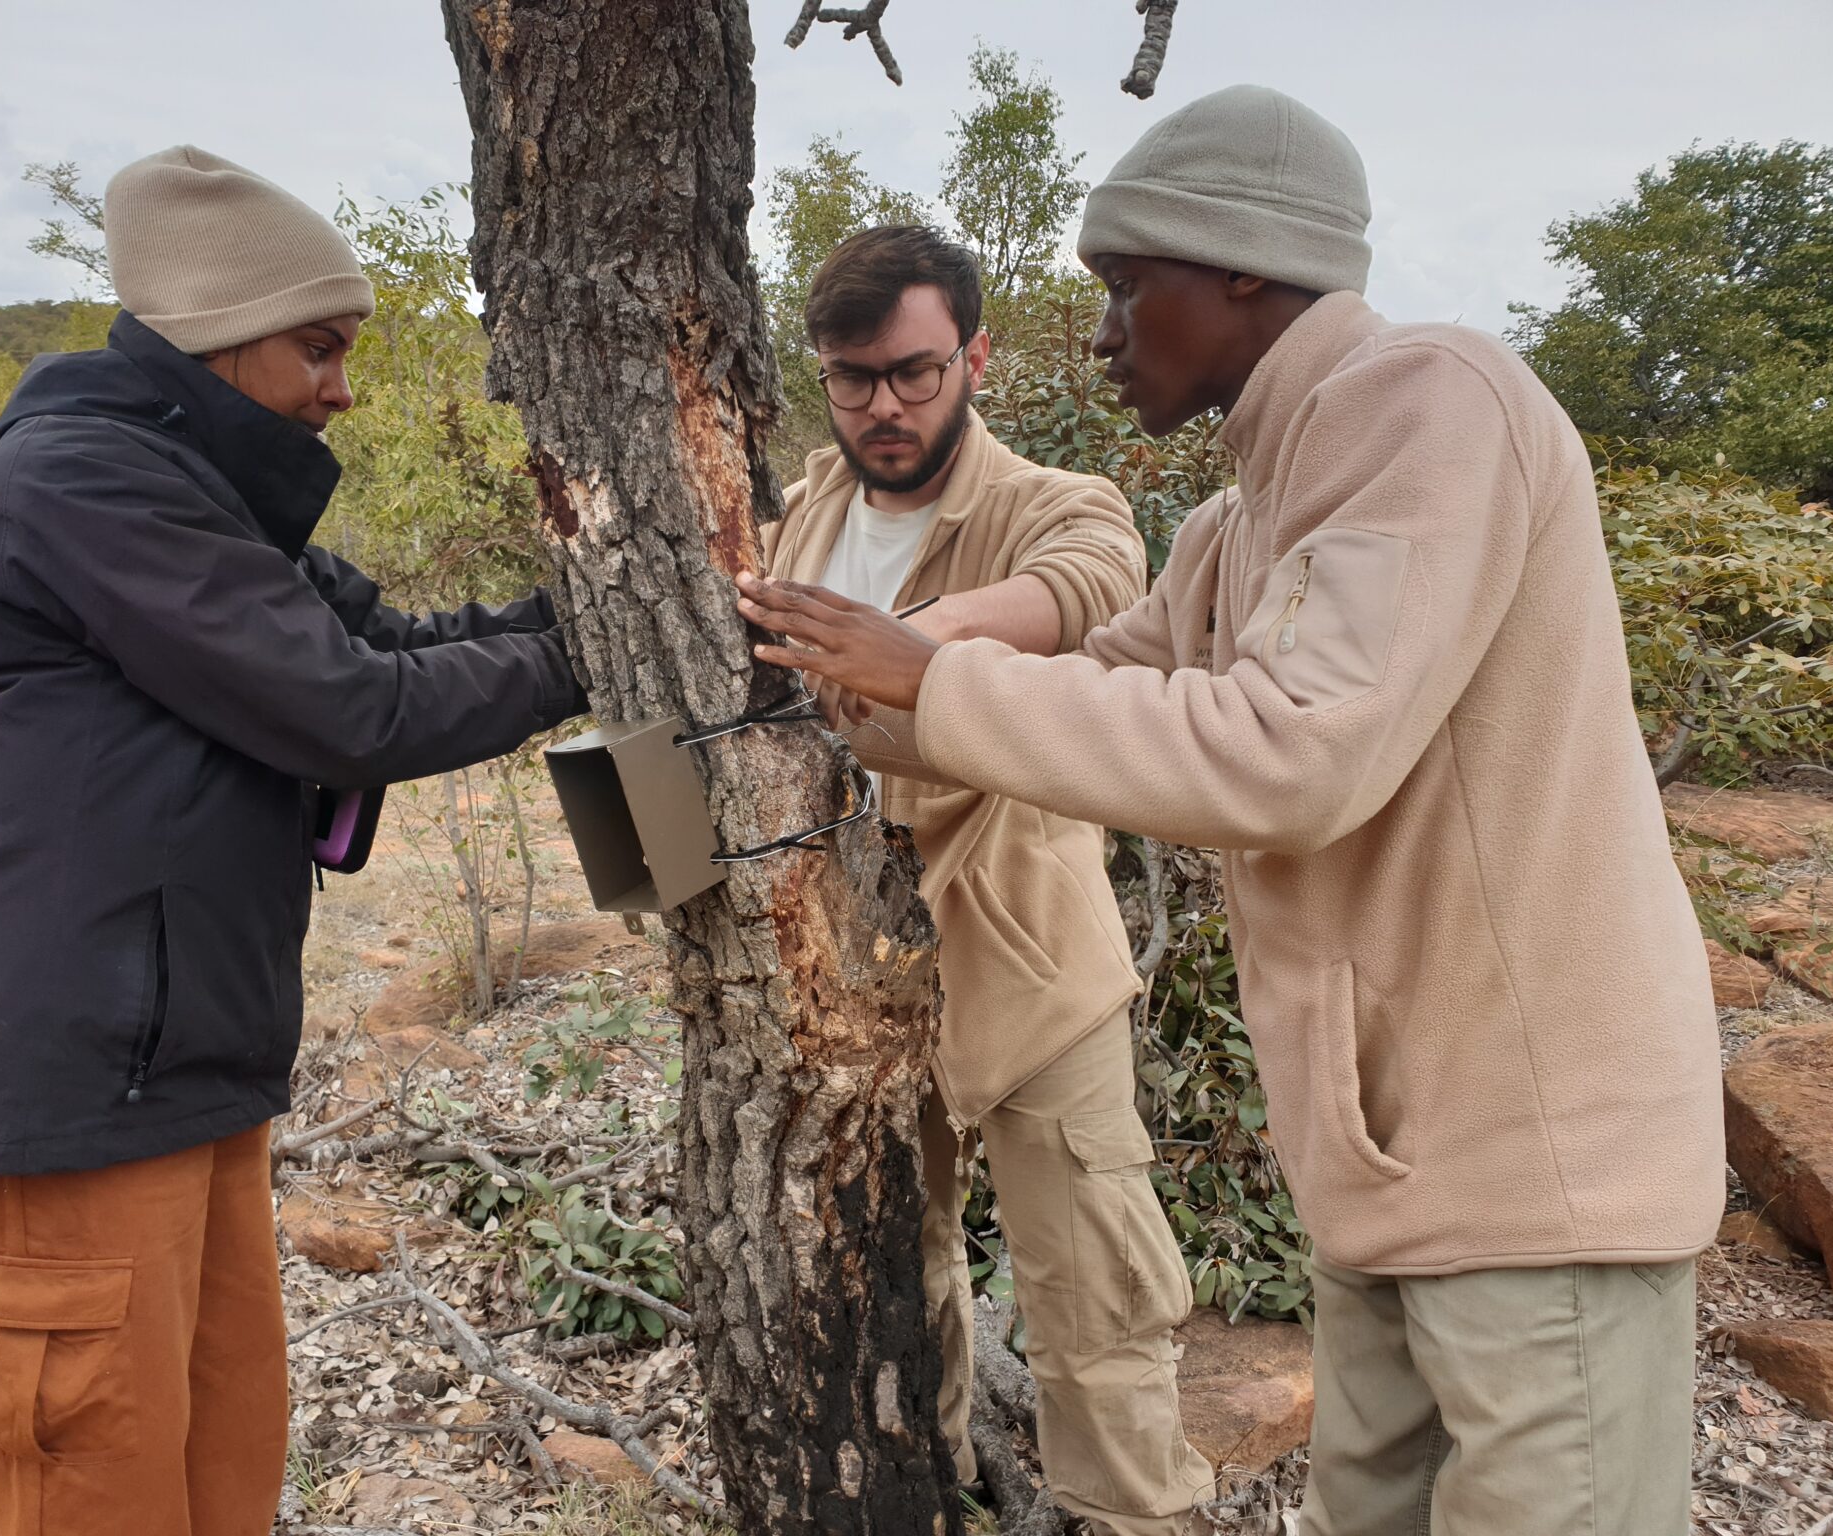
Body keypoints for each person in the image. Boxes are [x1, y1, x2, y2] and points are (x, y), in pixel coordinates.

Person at [738, 85, 1723, 1536]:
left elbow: (1289, 752)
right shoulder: (1237, 524)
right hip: (1390, 1172)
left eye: (1127, 289)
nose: (1104, 334)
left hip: (1535, 1183)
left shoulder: (1429, 400)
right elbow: (1111, 688)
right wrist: (854, 692)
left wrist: (931, 673)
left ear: (1246, 261)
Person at [0, 146, 585, 1536]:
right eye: (317, 347)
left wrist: (594, 603)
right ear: (215, 337)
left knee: (214, 1483)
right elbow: (349, 705)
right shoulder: (81, 484)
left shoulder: (196, 488)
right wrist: (591, 651)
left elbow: (390, 642)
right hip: (68, 1100)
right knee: (87, 1497)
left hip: (184, 1078)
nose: (342, 385)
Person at [767, 225, 1213, 1534]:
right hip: (854, 983)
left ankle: (1131, 1518)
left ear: (972, 355)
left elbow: (1086, 586)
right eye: (855, 379)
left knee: (1097, 1305)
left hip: (1029, 972)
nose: (885, 407)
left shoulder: (1049, 500)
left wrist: (905, 642)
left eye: (913, 372)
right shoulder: (806, 512)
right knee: (898, 1285)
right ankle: (947, 1489)